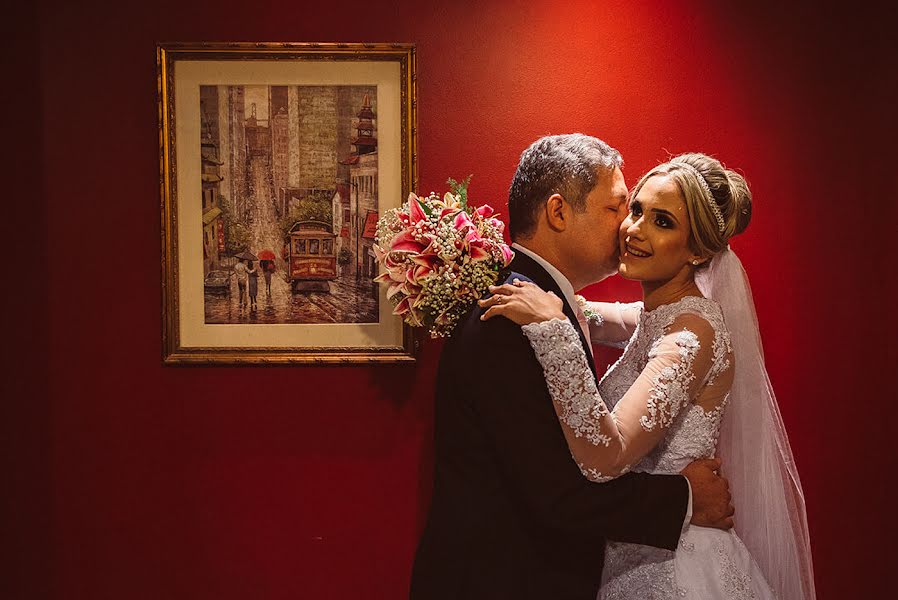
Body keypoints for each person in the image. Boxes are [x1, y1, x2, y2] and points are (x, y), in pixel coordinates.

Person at [410, 135, 734, 600]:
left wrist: (562, 322)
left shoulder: (547, 306)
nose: (629, 226)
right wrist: (684, 499)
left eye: (652, 217)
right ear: (559, 212)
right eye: (620, 208)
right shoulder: (514, 318)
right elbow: (558, 492)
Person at [480, 152, 815, 599]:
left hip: (675, 568)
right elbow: (602, 316)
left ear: (697, 250)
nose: (635, 230)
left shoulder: (690, 333)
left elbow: (608, 455)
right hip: (637, 550)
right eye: (636, 209)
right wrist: (543, 295)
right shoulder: (660, 317)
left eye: (663, 222)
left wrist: (554, 330)